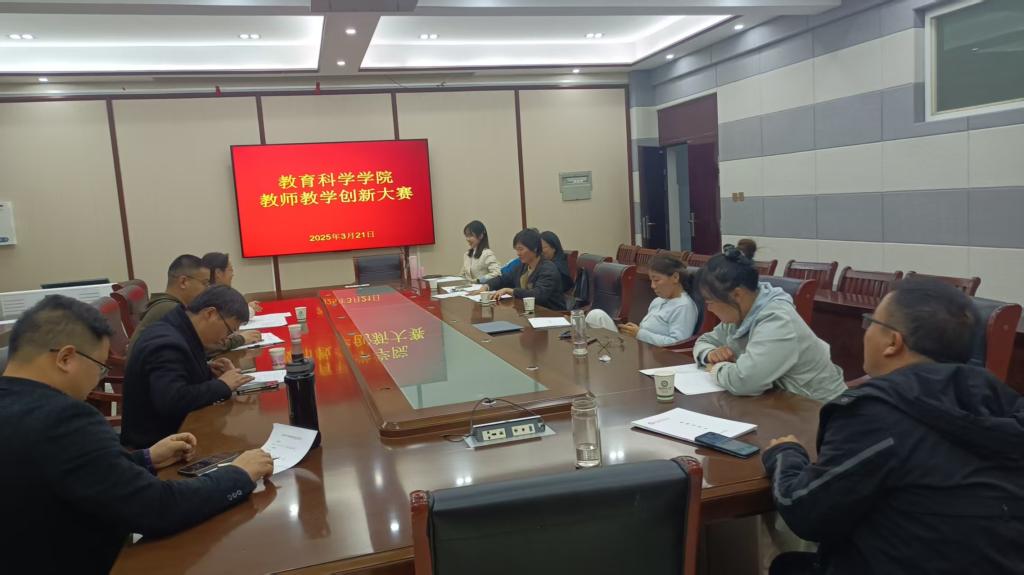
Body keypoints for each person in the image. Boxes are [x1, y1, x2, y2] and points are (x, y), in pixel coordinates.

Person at [764, 279, 1024, 575]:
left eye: (870, 322)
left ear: (893, 342)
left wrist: (785, 454)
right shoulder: (1003, 402)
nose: (866, 331)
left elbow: (805, 512)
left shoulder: (875, 414)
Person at [0, 295, 273, 573]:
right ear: (66, 358)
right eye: (100, 367)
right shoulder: (65, 419)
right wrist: (238, 475)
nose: (97, 379)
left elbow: (62, 471)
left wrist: (144, 459)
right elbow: (158, 508)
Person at [693, 248, 846, 402]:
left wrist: (716, 368)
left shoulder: (778, 319)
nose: (709, 309)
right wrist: (710, 354)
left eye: (710, 302)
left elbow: (745, 381)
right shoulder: (739, 313)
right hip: (781, 402)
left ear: (737, 294)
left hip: (819, 407)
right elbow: (705, 341)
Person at [122, 285, 256, 448]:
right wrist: (222, 385)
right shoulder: (167, 344)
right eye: (229, 330)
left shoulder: (181, 327)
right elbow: (172, 401)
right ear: (210, 314)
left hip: (180, 433)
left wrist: (209, 372)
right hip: (158, 445)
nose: (226, 338)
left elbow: (181, 377)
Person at [127, 254, 244, 351]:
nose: (207, 289)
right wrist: (241, 339)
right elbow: (203, 347)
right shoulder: (169, 309)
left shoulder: (169, 305)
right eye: (205, 283)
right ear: (183, 282)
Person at [586, 254, 698, 346]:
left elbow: (677, 343)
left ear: (675, 277)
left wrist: (640, 334)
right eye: (651, 281)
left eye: (656, 280)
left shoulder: (684, 306)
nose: (652, 286)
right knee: (596, 316)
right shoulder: (658, 301)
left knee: (596, 321)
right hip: (637, 346)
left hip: (655, 356)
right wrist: (632, 331)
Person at [483, 228, 565, 311]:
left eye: (521, 249)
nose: (518, 253)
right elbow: (503, 279)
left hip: (550, 314)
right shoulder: (522, 266)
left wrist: (511, 291)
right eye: (516, 249)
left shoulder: (548, 269)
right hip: (528, 311)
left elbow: (538, 295)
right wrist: (486, 286)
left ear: (535, 248)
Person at [201, 251, 261, 350]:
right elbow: (211, 343)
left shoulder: (212, 292)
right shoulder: (211, 296)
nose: (233, 274)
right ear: (218, 273)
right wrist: (240, 339)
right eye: (230, 270)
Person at [540, 230, 575, 294]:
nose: (540, 251)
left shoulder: (558, 267)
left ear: (554, 248)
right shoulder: (545, 263)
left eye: (543, 247)